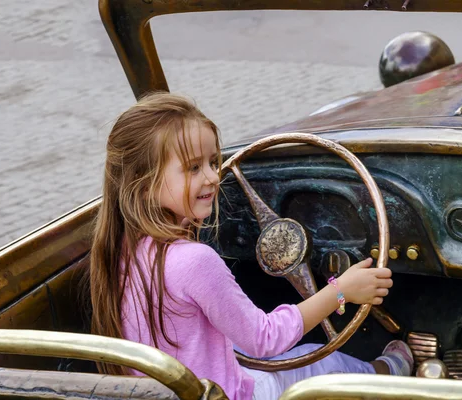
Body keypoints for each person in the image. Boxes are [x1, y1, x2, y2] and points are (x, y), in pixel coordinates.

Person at [89, 92, 414, 400]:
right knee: (319, 364)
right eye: (193, 168)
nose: (214, 178)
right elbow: (263, 340)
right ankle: (389, 373)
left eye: (213, 162)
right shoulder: (193, 260)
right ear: (145, 186)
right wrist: (341, 290)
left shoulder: (118, 252)